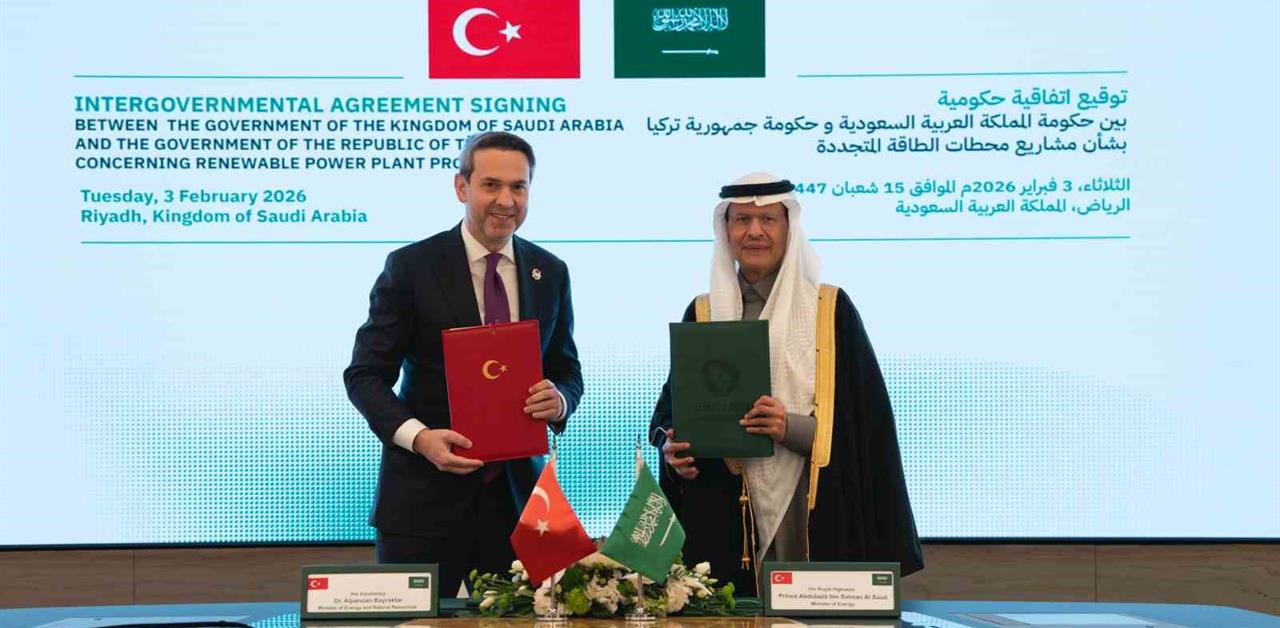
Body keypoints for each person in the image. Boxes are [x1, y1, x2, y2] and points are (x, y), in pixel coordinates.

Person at [649, 172, 922, 596]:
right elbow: (670, 411)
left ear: (789, 227)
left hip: (810, 504)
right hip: (727, 511)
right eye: (741, 220)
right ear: (725, 230)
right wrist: (672, 449)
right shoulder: (704, 311)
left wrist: (789, 426)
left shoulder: (829, 309)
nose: (754, 231)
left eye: (768, 219)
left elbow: (867, 426)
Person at [344, 131, 583, 595]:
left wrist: (560, 400)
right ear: (461, 187)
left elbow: (567, 370)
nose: (506, 201)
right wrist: (420, 438)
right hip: (422, 502)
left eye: (518, 187)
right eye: (491, 185)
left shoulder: (550, 271)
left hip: (519, 508)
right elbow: (365, 375)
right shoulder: (411, 267)